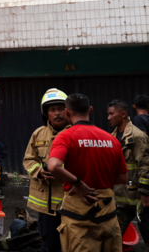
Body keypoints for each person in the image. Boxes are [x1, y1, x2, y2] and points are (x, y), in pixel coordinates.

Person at [47, 93, 128, 252]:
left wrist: (78, 183)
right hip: (108, 213)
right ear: (90, 110)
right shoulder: (111, 139)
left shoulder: (65, 136)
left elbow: (53, 166)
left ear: (67, 112)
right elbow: (123, 178)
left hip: (79, 215)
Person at [23, 88, 70, 252]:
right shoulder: (38, 134)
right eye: (52, 110)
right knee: (50, 245)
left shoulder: (75, 133)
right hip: (46, 205)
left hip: (71, 202)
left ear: (68, 111)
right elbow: (29, 159)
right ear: (46, 114)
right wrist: (39, 172)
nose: (57, 113)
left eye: (61, 109)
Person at [107, 99, 149, 247]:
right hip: (121, 198)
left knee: (147, 235)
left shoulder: (137, 137)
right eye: (108, 114)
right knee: (113, 237)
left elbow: (145, 166)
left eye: (112, 114)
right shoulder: (111, 138)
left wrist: (145, 192)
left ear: (123, 114)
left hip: (139, 198)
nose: (109, 117)